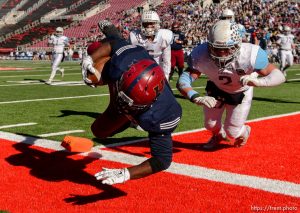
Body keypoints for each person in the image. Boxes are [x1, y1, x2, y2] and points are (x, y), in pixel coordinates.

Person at [81, 22, 182, 185]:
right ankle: (109, 32)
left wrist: (126, 173)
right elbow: (114, 43)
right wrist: (89, 59)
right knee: (93, 74)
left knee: (99, 131)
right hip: (123, 73)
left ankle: (128, 119)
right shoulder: (123, 62)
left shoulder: (164, 113)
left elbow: (162, 161)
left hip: (133, 111)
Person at [177, 20, 285, 150]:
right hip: (216, 88)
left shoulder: (250, 54)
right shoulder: (201, 53)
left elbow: (279, 75)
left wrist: (259, 82)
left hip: (240, 92)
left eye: (226, 49)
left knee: (232, 131)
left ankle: (244, 131)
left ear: (237, 45)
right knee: (210, 125)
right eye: (217, 49)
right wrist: (196, 97)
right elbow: (183, 81)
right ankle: (218, 136)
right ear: (210, 45)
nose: (221, 54)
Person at [129, 10, 173, 80]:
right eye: (146, 24)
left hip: (158, 67)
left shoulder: (164, 36)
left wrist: (166, 77)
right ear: (142, 25)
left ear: (157, 24)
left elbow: (166, 61)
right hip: (141, 70)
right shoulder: (135, 37)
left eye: (151, 23)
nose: (149, 26)